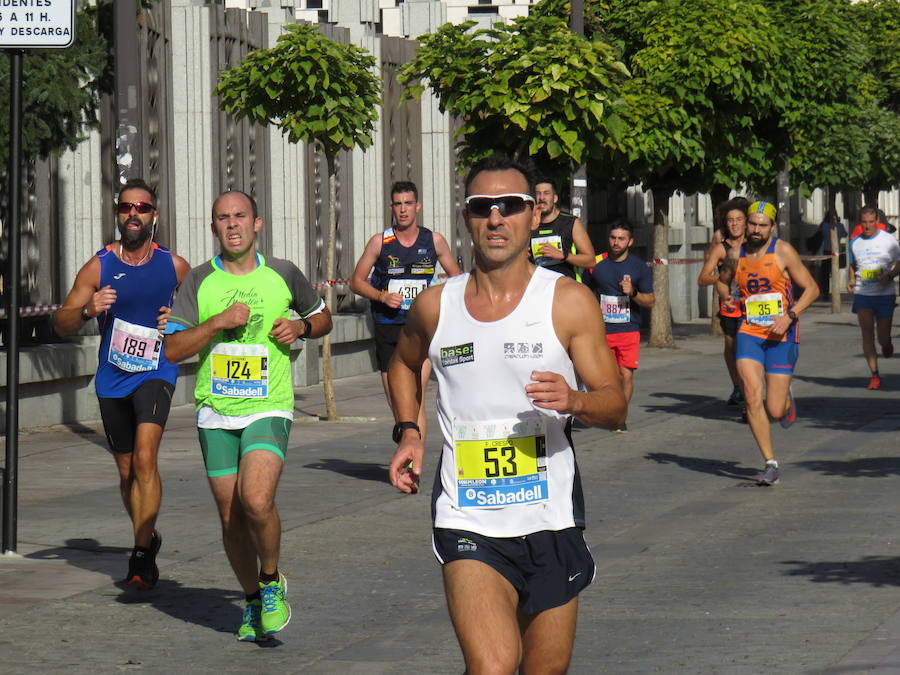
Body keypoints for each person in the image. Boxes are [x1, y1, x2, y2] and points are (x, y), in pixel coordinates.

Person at [387, 155, 626, 674]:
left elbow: (615, 403)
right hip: (467, 517)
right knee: (493, 667)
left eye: (510, 206)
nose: (496, 218)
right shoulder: (435, 306)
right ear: (467, 217)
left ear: (534, 215)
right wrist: (409, 433)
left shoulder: (567, 302)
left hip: (551, 517)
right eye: (482, 207)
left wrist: (578, 400)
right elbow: (403, 365)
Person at [163, 190, 332, 641]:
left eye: (241, 216)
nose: (233, 224)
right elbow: (173, 349)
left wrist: (301, 326)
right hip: (215, 410)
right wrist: (216, 322)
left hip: (269, 404)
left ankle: (271, 579)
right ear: (213, 226)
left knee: (256, 500)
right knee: (230, 516)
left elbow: (323, 317)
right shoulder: (198, 281)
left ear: (258, 223)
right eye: (223, 218)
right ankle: (252, 601)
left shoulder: (283, 273)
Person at [53, 178, 191, 590]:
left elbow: (200, 314)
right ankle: (146, 535)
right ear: (118, 214)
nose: (134, 214)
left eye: (142, 207)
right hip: (113, 378)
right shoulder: (98, 265)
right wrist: (86, 311)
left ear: (155, 216)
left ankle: (141, 557)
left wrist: (182, 321)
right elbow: (60, 322)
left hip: (156, 370)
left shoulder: (174, 266)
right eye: (126, 207)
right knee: (128, 470)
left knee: (146, 458)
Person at [717, 201, 820, 486]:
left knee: (775, 410)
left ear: (771, 227)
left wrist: (790, 316)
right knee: (751, 394)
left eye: (763, 225)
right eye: (752, 224)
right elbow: (723, 281)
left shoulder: (782, 251)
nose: (756, 229)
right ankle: (770, 463)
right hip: (749, 331)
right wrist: (728, 296)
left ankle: (786, 400)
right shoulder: (735, 253)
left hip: (782, 334)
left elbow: (812, 289)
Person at [349, 181, 459, 438]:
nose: (403, 210)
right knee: (397, 402)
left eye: (408, 203)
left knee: (415, 397)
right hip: (387, 326)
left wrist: (435, 300)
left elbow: (457, 279)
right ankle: (408, 445)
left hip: (419, 327)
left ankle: (413, 461)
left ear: (417, 206)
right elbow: (356, 281)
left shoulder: (433, 240)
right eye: (398, 204)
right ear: (391, 207)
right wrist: (381, 296)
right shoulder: (380, 242)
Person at [590, 222, 655, 432]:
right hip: (602, 331)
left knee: (626, 375)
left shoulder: (638, 268)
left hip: (628, 329)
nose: (616, 242)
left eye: (621, 238)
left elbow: (650, 301)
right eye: (613, 237)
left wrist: (633, 292)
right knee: (607, 376)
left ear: (630, 241)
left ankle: (619, 416)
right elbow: (586, 293)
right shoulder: (597, 264)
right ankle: (606, 410)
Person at [698, 197, 750, 407]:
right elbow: (702, 278)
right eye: (730, 220)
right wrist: (723, 278)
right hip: (730, 304)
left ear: (746, 222)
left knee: (748, 347)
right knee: (732, 346)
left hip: (753, 305)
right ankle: (738, 386)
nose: (735, 224)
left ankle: (751, 386)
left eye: (739, 219)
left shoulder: (755, 245)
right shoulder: (721, 248)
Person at [847, 206, 900, 389]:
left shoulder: (889, 241)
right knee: (867, 333)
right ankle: (875, 376)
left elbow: (899, 264)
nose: (867, 226)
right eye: (864, 222)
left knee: (882, 338)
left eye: (871, 222)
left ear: (876, 221)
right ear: (860, 222)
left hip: (884, 294)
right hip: (863, 293)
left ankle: (887, 345)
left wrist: (890, 276)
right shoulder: (854, 243)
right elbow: (853, 266)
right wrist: (851, 280)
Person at [531, 178, 596, 281]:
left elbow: (591, 260)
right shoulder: (528, 224)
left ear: (555, 198)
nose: (541, 198)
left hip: (564, 287)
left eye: (546, 193)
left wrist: (563, 255)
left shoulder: (570, 222)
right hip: (537, 287)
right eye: (538, 194)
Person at [807, 210, 847, 297]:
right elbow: (845, 234)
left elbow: (818, 236)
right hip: (837, 252)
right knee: (835, 272)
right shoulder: (840, 226)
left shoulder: (823, 225)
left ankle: (825, 292)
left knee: (825, 274)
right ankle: (835, 292)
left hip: (826, 251)